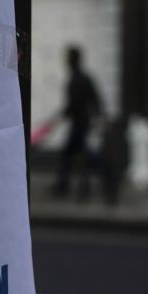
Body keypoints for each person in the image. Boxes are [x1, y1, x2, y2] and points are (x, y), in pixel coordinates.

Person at [52, 46, 103, 199]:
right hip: (79, 122)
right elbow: (93, 100)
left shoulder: (80, 78)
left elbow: (91, 100)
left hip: (81, 123)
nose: (66, 60)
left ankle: (73, 186)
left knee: (79, 156)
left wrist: (66, 112)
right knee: (74, 155)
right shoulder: (77, 77)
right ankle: (69, 186)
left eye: (68, 57)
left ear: (74, 59)